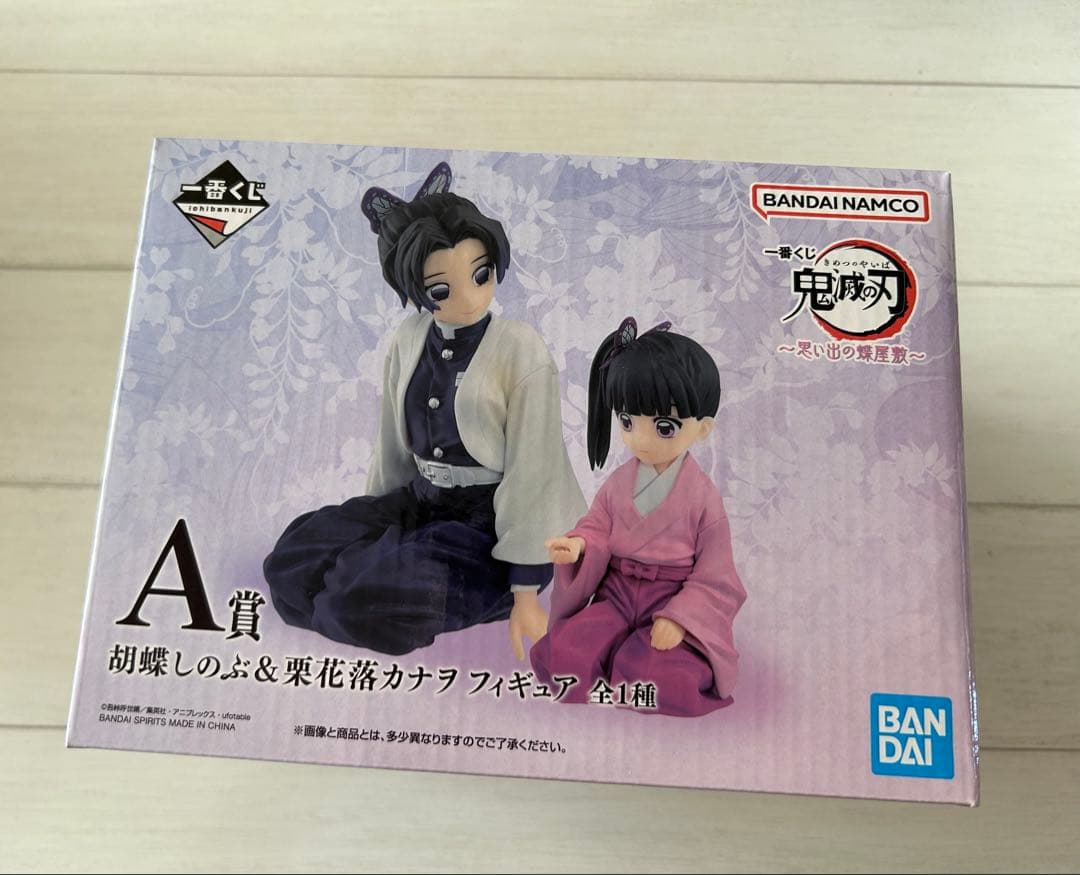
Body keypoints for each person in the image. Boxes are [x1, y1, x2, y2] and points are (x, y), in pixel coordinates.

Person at [264, 163, 586, 657]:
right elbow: (392, 442)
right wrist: (373, 521)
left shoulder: (520, 348)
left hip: (492, 526)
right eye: (441, 290)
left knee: (355, 601)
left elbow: (535, 471)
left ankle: (413, 586)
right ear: (414, 288)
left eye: (481, 274)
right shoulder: (409, 337)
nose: (469, 297)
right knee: (292, 562)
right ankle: (371, 572)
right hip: (421, 500)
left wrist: (525, 589)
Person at [530, 317, 746, 716]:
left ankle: (645, 653)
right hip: (615, 593)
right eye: (628, 422)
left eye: (664, 427)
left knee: (653, 674)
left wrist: (680, 619)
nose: (640, 439)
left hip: (670, 597)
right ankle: (609, 653)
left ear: (702, 429)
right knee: (568, 653)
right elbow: (597, 526)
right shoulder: (618, 483)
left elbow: (716, 575)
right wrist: (578, 546)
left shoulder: (703, 498)